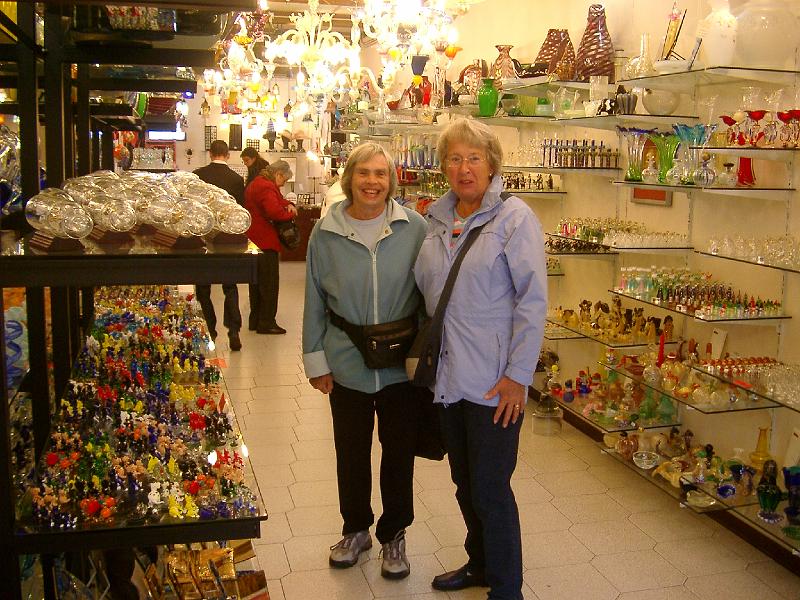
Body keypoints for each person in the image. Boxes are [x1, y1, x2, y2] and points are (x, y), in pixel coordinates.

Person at [414, 119, 547, 600]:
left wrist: (518, 376)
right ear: (443, 166)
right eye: (454, 158)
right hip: (449, 378)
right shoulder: (435, 220)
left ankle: (506, 589)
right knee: (464, 482)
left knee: (491, 488)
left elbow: (532, 302)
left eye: (474, 158)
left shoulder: (515, 219)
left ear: (492, 165)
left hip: (494, 383)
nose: (464, 168)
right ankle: (481, 564)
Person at [302, 142, 427, 580]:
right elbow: (314, 298)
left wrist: (430, 357)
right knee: (351, 451)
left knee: (399, 454)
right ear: (349, 177)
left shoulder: (414, 227)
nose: (372, 182)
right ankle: (356, 529)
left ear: (391, 180)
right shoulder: (326, 232)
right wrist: (315, 360)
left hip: (400, 366)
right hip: (347, 358)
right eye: (364, 173)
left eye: (381, 173)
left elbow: (429, 296)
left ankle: (394, 533)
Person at [193, 140, 246, 351]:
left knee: (203, 288)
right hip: (227, 239)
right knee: (230, 286)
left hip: (204, 238)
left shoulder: (198, 175)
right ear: (228, 154)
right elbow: (240, 212)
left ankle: (210, 330)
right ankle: (234, 331)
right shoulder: (236, 179)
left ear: (210, 153)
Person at [244, 159, 296, 334]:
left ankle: (256, 320)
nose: (283, 184)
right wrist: (290, 215)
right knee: (269, 284)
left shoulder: (258, 182)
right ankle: (267, 322)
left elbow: (278, 201)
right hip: (265, 241)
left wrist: (289, 204)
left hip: (254, 240)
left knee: (256, 283)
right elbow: (273, 211)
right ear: (278, 174)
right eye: (284, 180)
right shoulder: (266, 187)